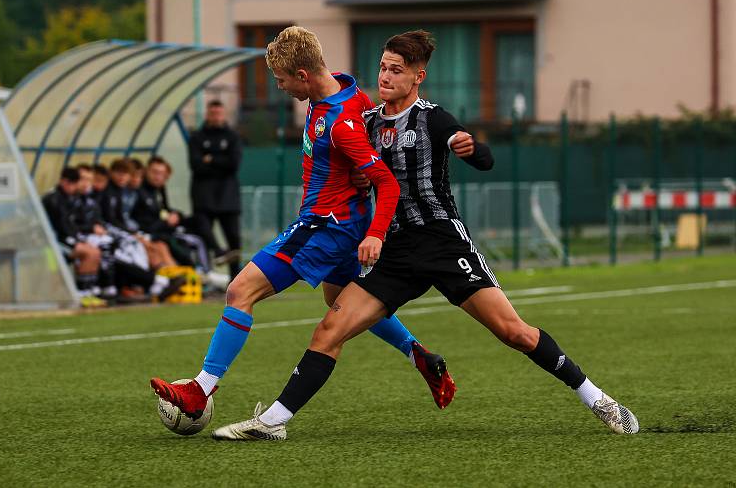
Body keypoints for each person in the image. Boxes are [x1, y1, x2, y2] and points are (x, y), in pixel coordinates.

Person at [211, 30, 639, 441]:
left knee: (514, 333)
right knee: (329, 330)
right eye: (382, 67)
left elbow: (479, 155)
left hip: (441, 243)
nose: (385, 76)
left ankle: (596, 397)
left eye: (396, 70)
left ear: (418, 77)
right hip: (396, 252)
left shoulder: (433, 118)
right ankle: (273, 421)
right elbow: (355, 164)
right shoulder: (367, 120)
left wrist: (472, 148)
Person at [150, 26, 457, 421]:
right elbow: (366, 149)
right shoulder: (349, 93)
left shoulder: (341, 121)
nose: (278, 87)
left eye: (280, 80)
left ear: (302, 75)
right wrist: (357, 179)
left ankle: (200, 389)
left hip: (326, 226)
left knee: (239, 291)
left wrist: (376, 229)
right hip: (342, 223)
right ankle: (420, 356)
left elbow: (384, 179)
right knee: (340, 301)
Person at [188, 99, 243, 279]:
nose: (216, 116)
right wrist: (220, 161)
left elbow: (233, 164)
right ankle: (206, 273)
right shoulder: (197, 137)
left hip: (227, 195)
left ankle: (235, 280)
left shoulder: (232, 136)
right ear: (207, 114)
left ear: (224, 114)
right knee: (202, 231)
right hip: (203, 194)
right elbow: (195, 164)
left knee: (233, 237)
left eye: (219, 113)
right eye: (212, 113)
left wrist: (210, 159)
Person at [41, 167, 105, 307]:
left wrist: (78, 238)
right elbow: (60, 226)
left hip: (64, 240)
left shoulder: (71, 197)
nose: (73, 187)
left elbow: (72, 223)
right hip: (50, 244)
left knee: (95, 251)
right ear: (63, 181)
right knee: (89, 252)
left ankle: (87, 292)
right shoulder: (53, 199)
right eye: (71, 183)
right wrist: (75, 241)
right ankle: (80, 294)